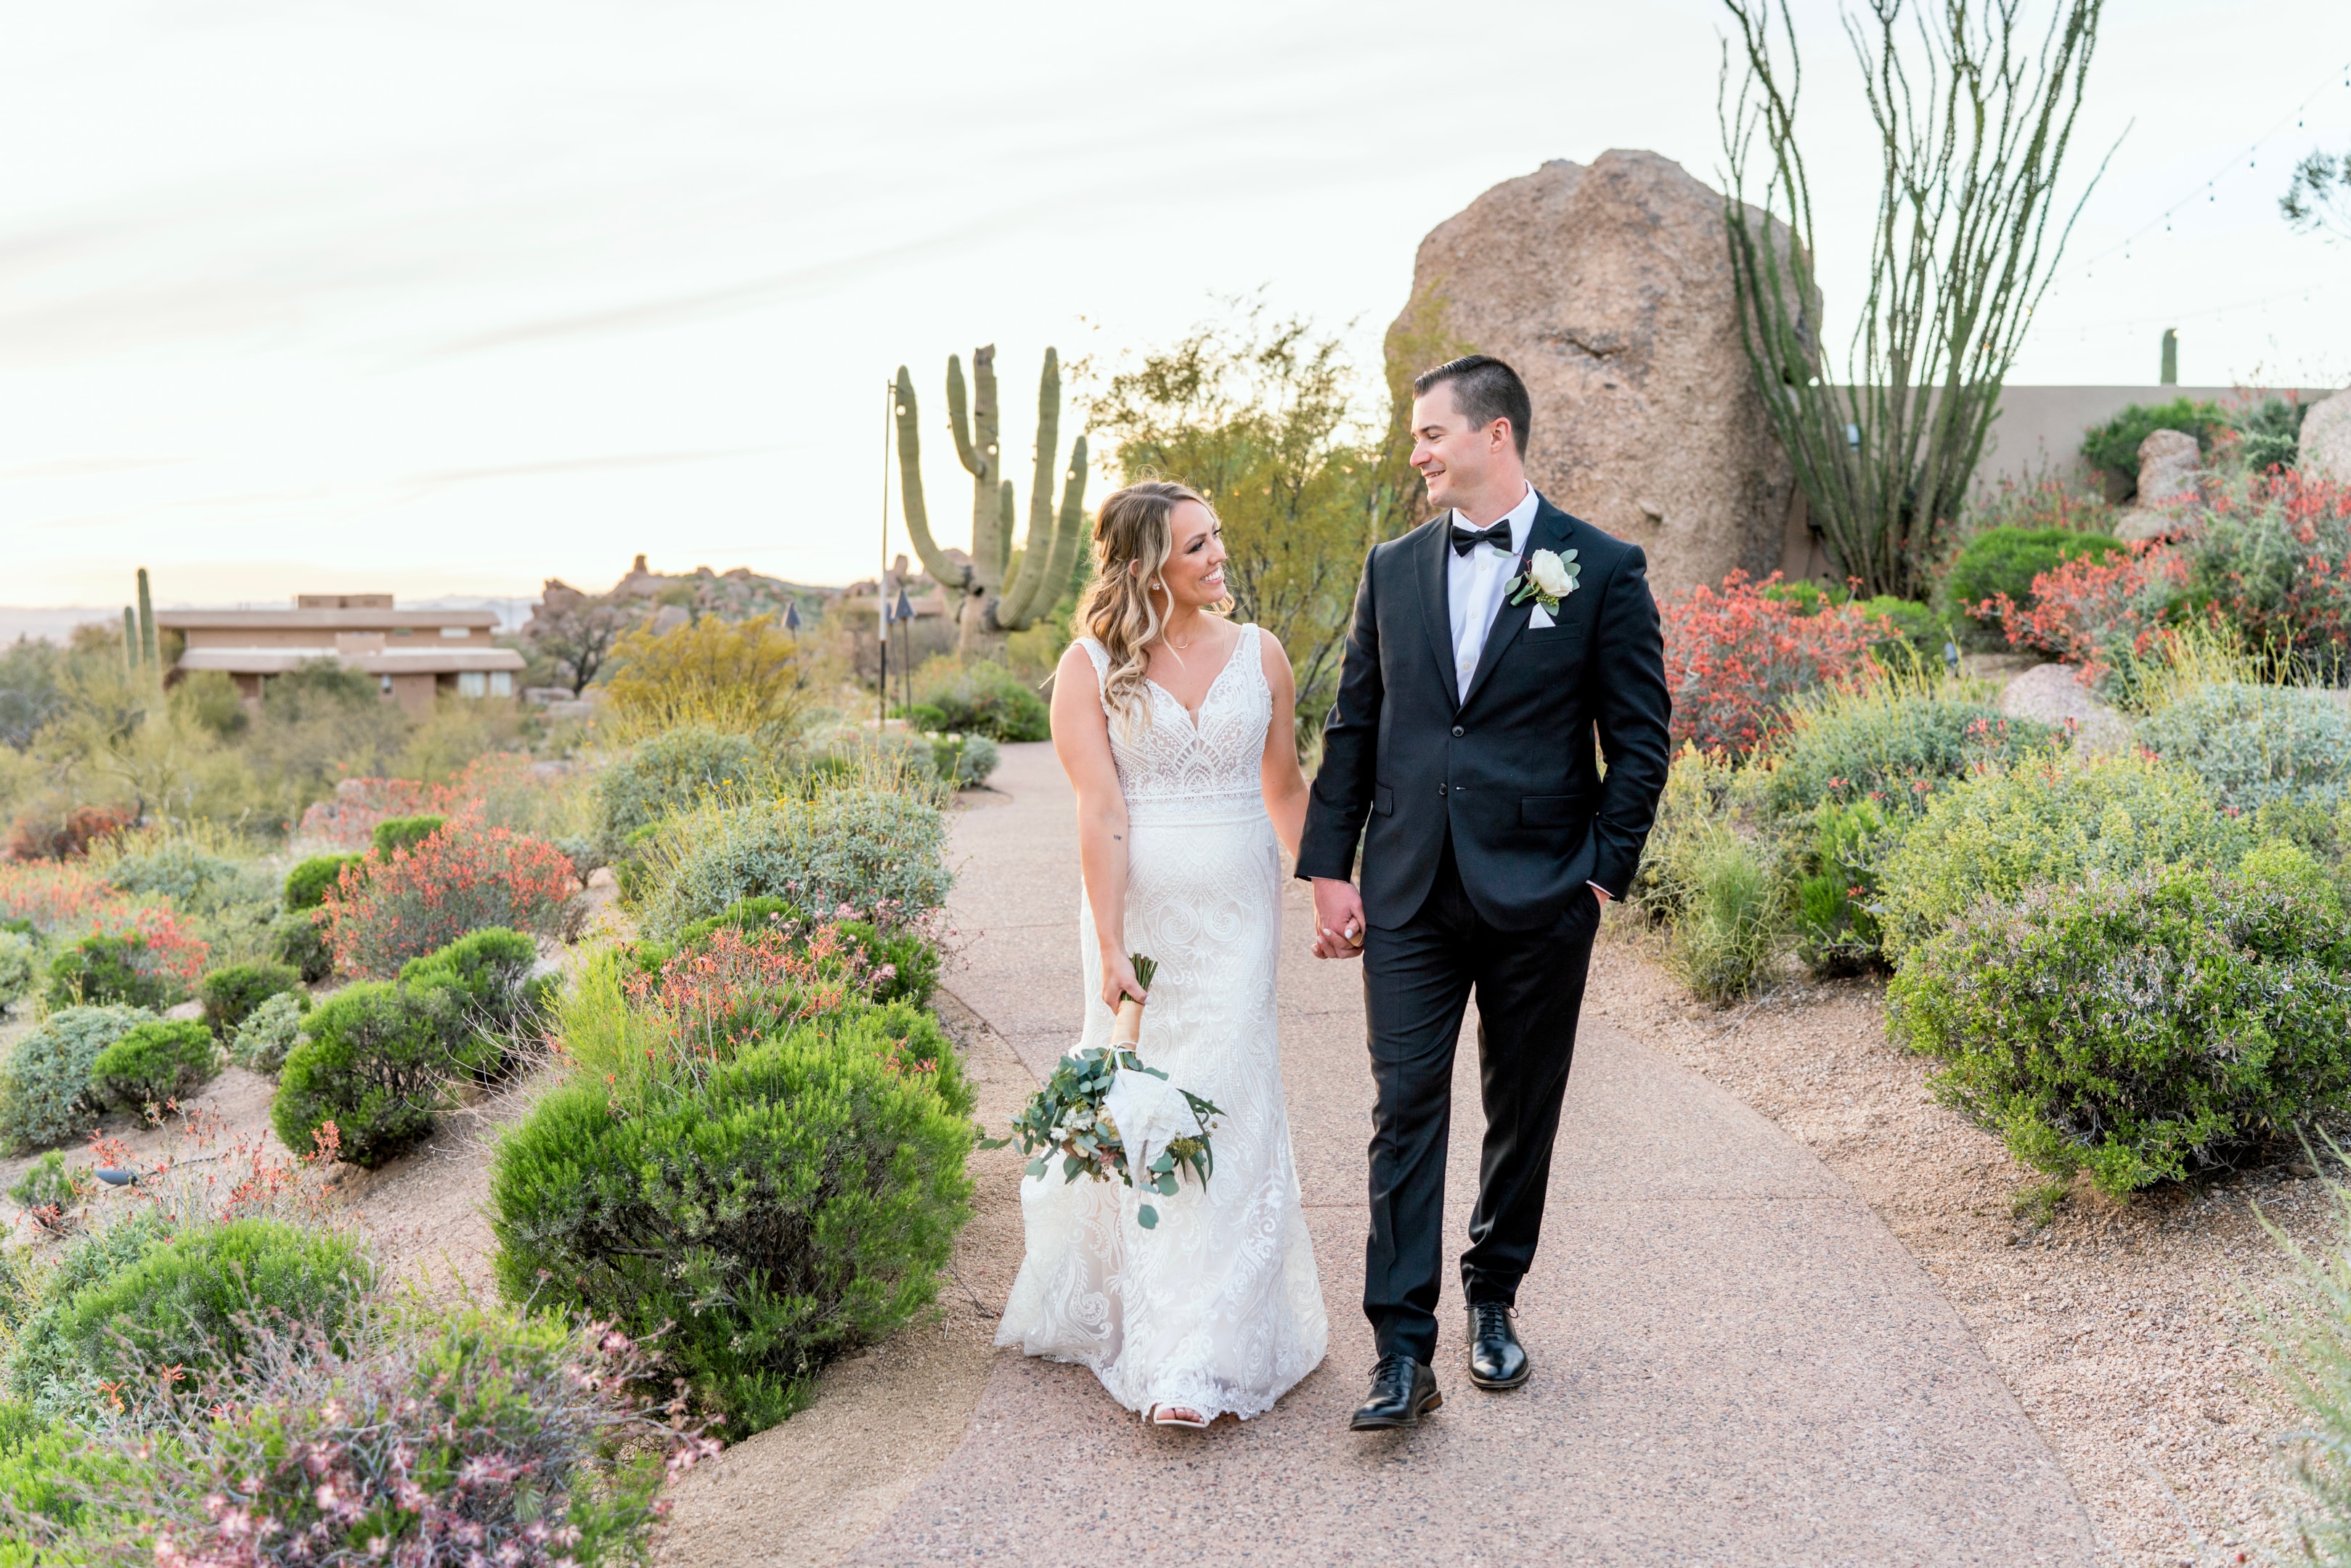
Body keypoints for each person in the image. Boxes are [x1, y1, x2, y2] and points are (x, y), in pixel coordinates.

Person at [1297, 354, 1672, 1432]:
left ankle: (1492, 1298)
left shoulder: (1598, 567)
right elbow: (1355, 724)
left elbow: (1639, 740)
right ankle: (1398, 1348)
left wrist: (1600, 876)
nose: (1413, 451)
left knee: (1522, 1109)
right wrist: (1331, 866)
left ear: (1492, 435)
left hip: (1541, 891)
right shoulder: (1391, 565)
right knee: (1403, 1108)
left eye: (1428, 433)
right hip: (1410, 886)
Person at [995, 479, 1328, 1429]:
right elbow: (1099, 812)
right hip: (1137, 925)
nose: (1219, 557)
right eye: (1196, 547)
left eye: (1217, 537)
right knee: (1151, 1117)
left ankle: (1205, 1355)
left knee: (1230, 1108)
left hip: (1238, 919)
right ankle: (1160, 1329)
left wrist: (1331, 887)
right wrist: (1109, 947)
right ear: (1146, 565)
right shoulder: (1088, 665)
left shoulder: (1260, 654)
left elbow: (1285, 785)